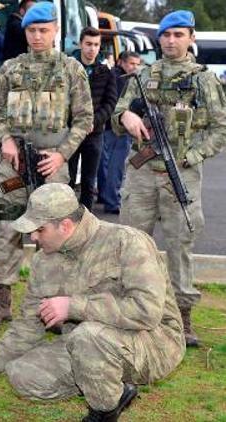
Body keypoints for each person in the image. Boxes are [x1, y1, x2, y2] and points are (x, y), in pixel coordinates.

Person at [0, 183, 185, 422]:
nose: (33, 237)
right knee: (22, 374)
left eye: (40, 230)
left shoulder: (127, 242)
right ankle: (112, 387)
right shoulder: (43, 262)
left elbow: (147, 310)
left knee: (87, 336)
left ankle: (103, 411)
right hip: (91, 344)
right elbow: (27, 328)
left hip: (155, 342)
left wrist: (73, 306)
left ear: (66, 225)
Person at [112, 10, 226, 348]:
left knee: (180, 246)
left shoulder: (203, 80)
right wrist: (128, 116)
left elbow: (220, 129)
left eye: (179, 35)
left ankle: (182, 317)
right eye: (167, 35)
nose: (172, 41)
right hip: (142, 174)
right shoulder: (142, 76)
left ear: (191, 38)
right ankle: (130, 309)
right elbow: (117, 116)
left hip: (182, 175)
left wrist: (190, 157)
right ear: (159, 39)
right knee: (132, 243)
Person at [0, 1, 93, 328]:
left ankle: (54, 306)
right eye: (32, 30)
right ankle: (2, 301)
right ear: (25, 32)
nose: (38, 36)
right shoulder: (11, 69)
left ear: (55, 30)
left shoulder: (71, 70)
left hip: (51, 164)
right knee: (8, 230)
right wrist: (7, 140)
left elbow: (84, 119)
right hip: (14, 165)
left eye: (43, 30)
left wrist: (62, 154)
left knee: (57, 234)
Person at [68, 27, 117, 210]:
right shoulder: (68, 67)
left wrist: (93, 122)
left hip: (94, 133)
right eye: (88, 44)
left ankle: (85, 221)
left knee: (89, 181)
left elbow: (110, 103)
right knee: (68, 178)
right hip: (70, 132)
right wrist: (76, 123)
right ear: (81, 44)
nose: (92, 49)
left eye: (96, 45)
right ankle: (67, 218)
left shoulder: (106, 71)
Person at [96, 51, 141, 214]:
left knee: (105, 165)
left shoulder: (112, 75)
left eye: (137, 64)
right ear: (121, 62)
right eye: (131, 63)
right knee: (117, 167)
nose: (135, 67)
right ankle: (113, 202)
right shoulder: (123, 80)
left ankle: (104, 196)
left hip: (105, 126)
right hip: (118, 128)